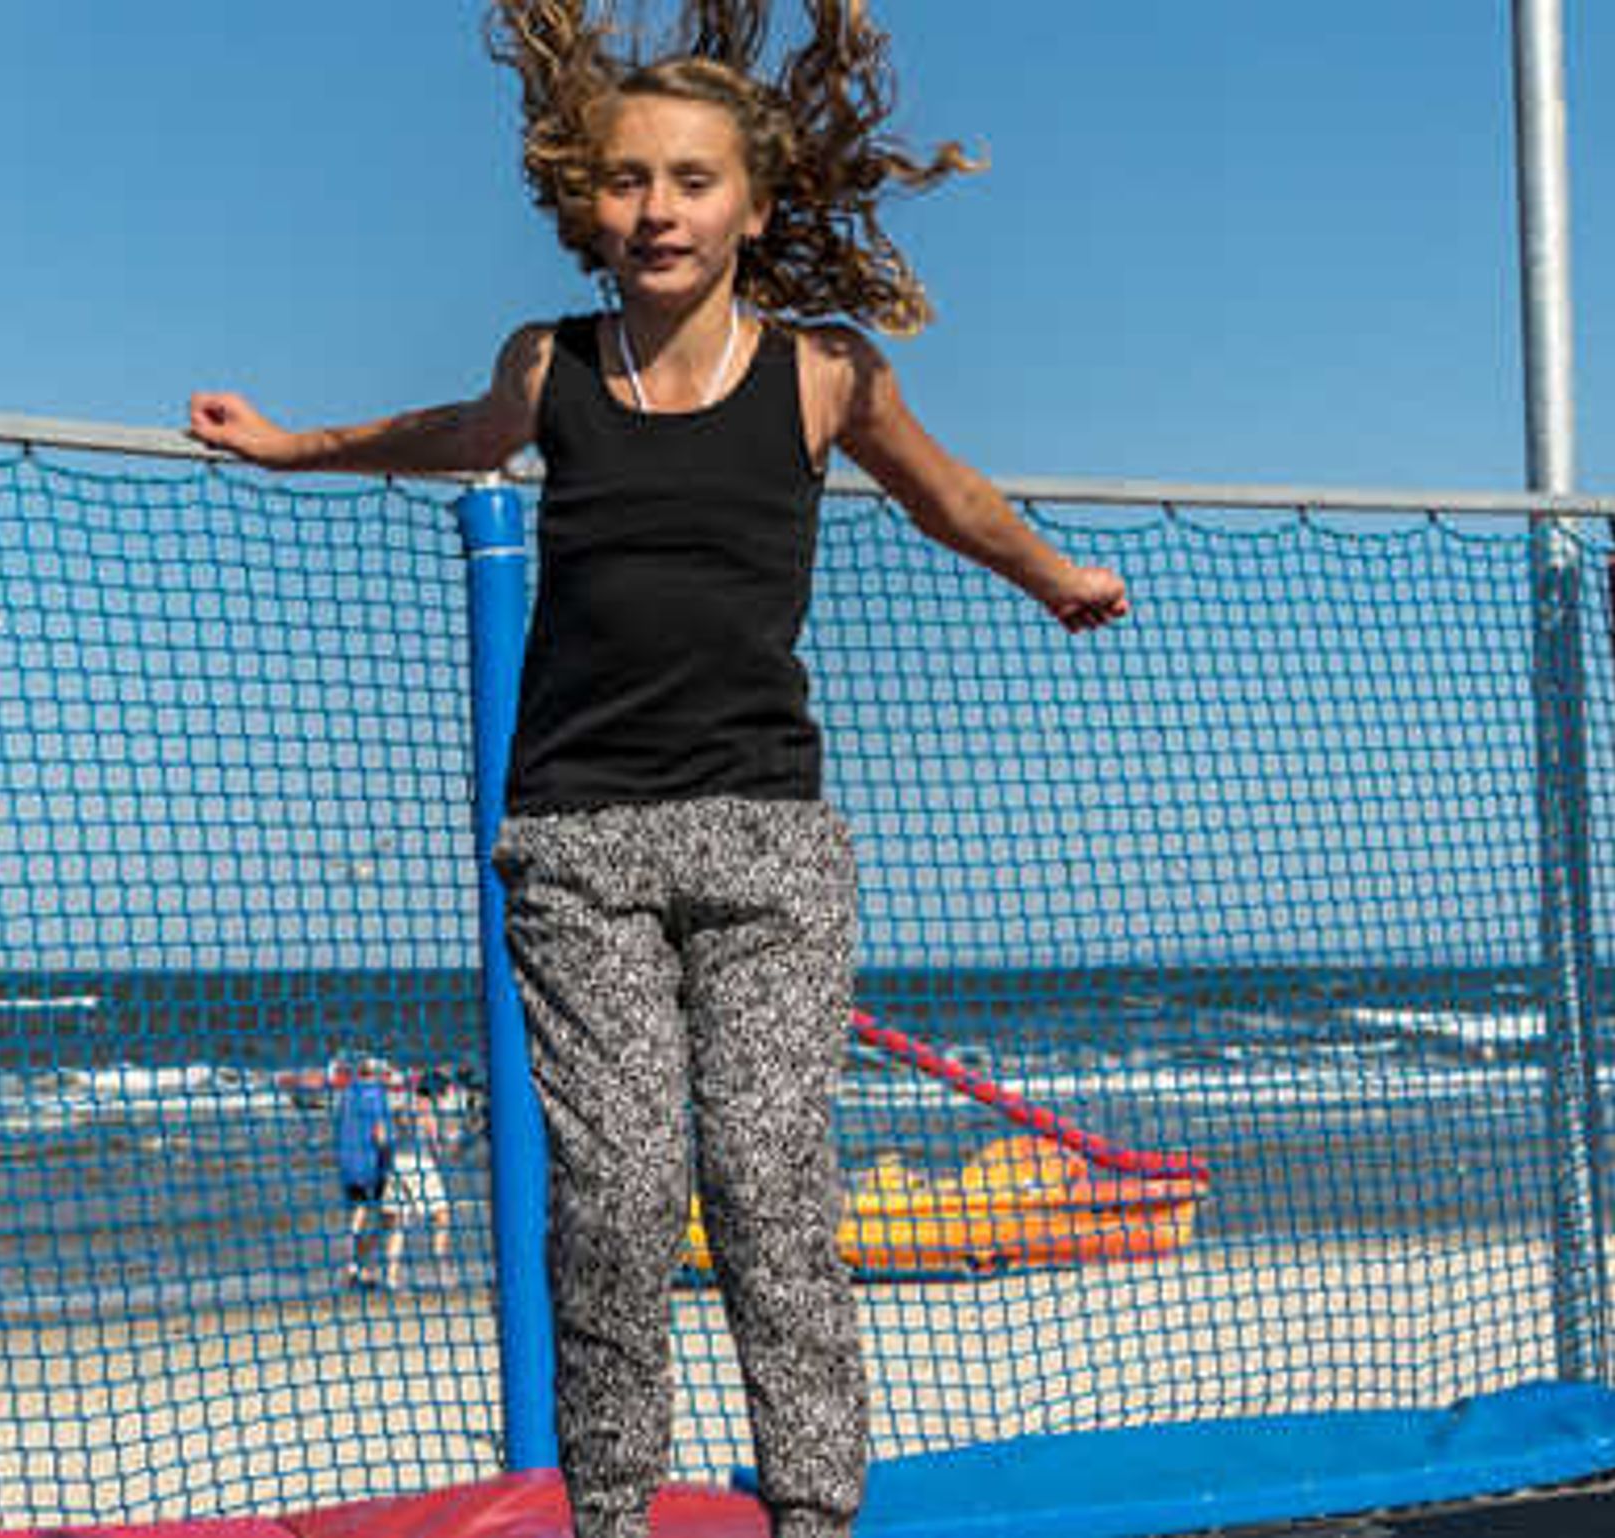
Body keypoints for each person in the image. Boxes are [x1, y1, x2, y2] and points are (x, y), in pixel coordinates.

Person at [189, 5, 1129, 1536]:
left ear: (754, 203)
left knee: (768, 1190)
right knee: (619, 1195)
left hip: (767, 844)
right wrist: (295, 446)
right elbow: (452, 431)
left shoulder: (826, 377)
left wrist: (1052, 575)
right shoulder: (551, 364)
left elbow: (952, 497)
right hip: (578, 843)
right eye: (627, 181)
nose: (657, 209)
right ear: (588, 202)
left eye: (691, 180)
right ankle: (612, 1512)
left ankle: (817, 1511)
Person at [381, 1072, 455, 1290]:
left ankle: (390, 1277)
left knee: (398, 1224)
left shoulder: (404, 1105)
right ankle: (441, 1267)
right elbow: (436, 1147)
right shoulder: (427, 1110)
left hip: (396, 1164)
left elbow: (390, 1131)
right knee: (442, 1215)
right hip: (419, 1166)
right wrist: (451, 1145)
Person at [332, 1057, 393, 1286]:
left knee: (357, 1215)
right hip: (370, 1163)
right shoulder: (375, 1094)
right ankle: (362, 1265)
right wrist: (388, 1156)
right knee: (382, 1216)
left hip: (347, 1161)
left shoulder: (349, 1093)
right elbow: (380, 1133)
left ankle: (354, 1266)